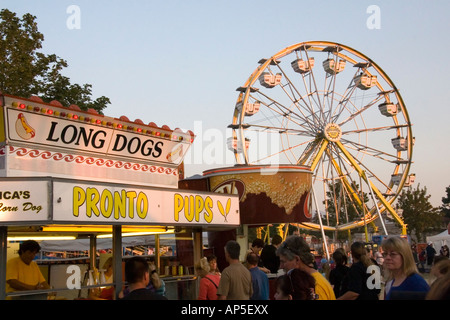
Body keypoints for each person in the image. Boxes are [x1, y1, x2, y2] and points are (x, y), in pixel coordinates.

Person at [276, 235, 336, 300]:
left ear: (297, 260)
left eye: (283, 262)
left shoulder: (315, 285)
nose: (281, 266)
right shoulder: (308, 281)